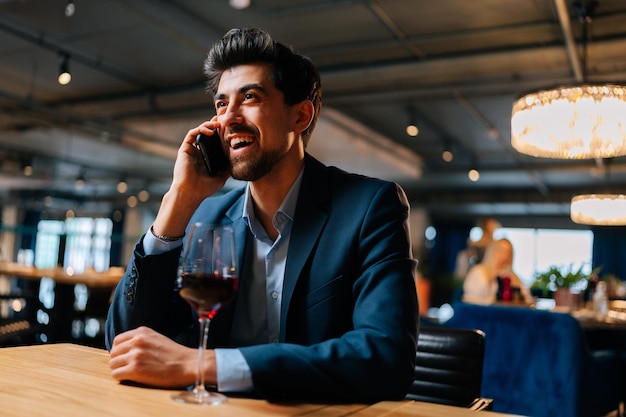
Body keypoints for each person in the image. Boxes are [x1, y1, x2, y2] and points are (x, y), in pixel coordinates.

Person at [105, 28, 418, 403]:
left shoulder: (371, 207)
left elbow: (386, 359)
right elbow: (124, 343)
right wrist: (178, 201)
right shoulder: (208, 215)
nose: (229, 118)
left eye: (249, 97)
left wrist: (204, 365)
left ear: (300, 116)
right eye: (221, 104)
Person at [462, 238, 532, 305]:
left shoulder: (512, 276)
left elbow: (526, 297)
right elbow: (469, 299)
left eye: (508, 252)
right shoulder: (478, 272)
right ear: (492, 252)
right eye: (500, 250)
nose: (505, 256)